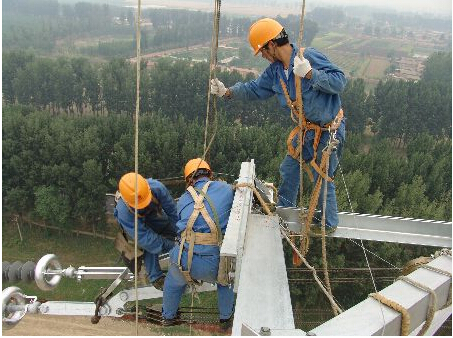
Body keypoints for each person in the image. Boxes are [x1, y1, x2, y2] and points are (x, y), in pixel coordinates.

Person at [210, 18, 347, 234]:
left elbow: (340, 81)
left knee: (322, 178)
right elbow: (255, 89)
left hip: (329, 130)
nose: (263, 56)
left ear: (272, 44)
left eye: (263, 51)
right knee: (290, 169)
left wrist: (311, 74)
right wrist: (227, 92)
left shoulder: (307, 56)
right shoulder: (275, 72)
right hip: (306, 132)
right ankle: (284, 215)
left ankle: (328, 223)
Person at [162, 158, 235, 328]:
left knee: (172, 282)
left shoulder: (182, 199)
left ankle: (168, 316)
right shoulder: (226, 189)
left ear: (189, 180)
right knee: (225, 281)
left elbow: (179, 225)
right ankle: (225, 318)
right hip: (215, 263)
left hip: (185, 261)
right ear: (210, 174)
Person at [114, 172, 178, 290]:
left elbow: (174, 212)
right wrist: (173, 246)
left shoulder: (157, 188)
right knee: (149, 247)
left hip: (155, 216)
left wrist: (182, 234)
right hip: (137, 227)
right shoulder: (124, 211)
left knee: (172, 227)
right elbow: (147, 239)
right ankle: (156, 278)